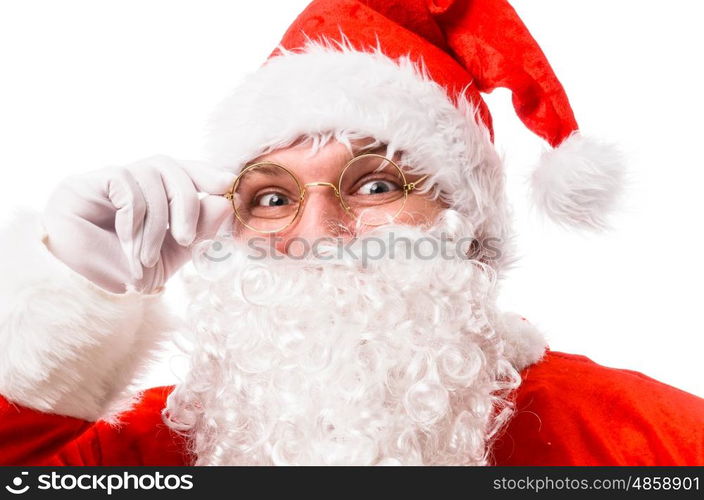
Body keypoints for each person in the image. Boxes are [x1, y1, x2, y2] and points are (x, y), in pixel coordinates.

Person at [0, 0, 702, 466]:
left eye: (375, 185)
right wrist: (74, 281)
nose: (317, 232)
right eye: (271, 196)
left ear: (467, 231)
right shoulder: (176, 441)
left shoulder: (642, 440)